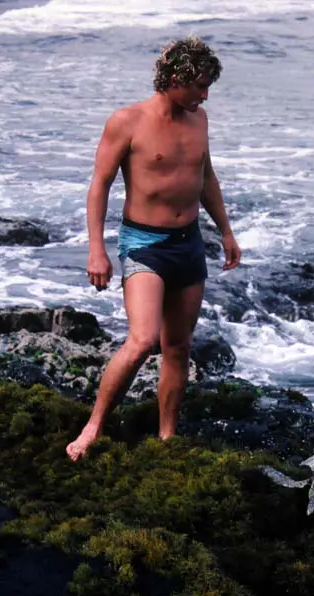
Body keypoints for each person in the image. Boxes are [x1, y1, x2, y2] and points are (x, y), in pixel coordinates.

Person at [67, 36, 241, 461]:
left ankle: (167, 437)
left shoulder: (199, 119)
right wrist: (96, 249)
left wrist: (226, 231)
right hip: (144, 244)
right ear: (176, 78)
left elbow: (206, 177)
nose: (205, 95)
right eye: (200, 86)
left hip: (189, 244)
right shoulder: (127, 121)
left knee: (178, 347)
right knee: (144, 339)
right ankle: (93, 427)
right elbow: (99, 185)